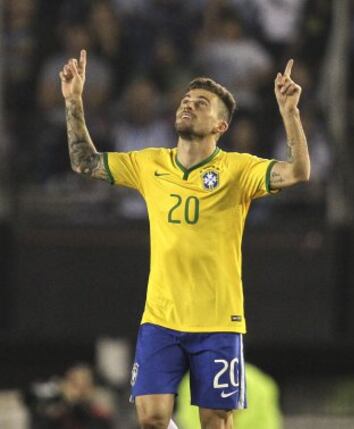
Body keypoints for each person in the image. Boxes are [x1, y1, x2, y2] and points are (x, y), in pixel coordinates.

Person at [59, 50, 310, 429]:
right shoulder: (149, 163)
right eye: (186, 100)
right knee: (152, 418)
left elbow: (298, 172)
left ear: (220, 126)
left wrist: (290, 112)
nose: (189, 105)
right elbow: (84, 161)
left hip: (219, 320)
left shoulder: (238, 170)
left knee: (215, 422)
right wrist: (74, 100)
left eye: (201, 103)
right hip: (161, 317)